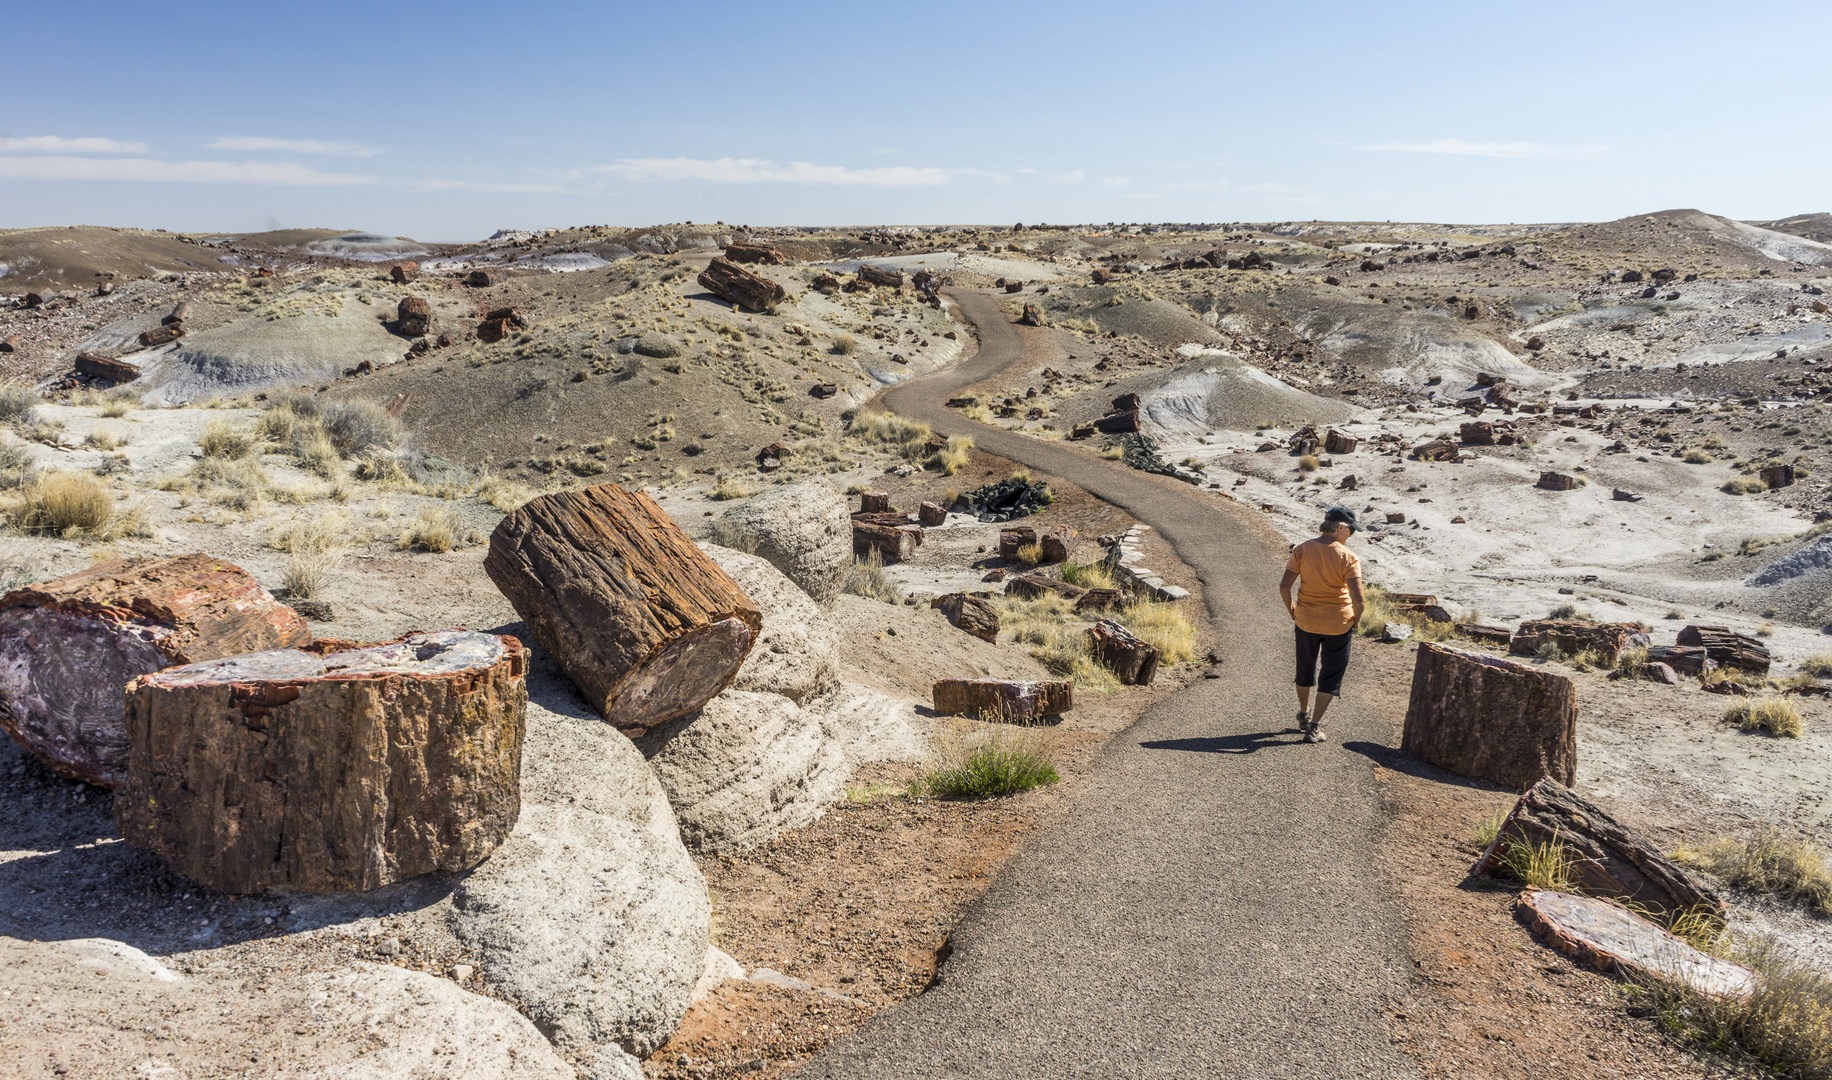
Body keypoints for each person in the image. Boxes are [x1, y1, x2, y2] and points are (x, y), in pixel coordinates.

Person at [1277, 506, 1365, 743]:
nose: (1351, 536)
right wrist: (1355, 620)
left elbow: (1284, 586)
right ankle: (1314, 726)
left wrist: (1293, 611)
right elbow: (1359, 599)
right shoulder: (1348, 557)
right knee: (1331, 674)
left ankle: (1303, 713)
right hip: (1338, 623)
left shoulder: (1302, 549)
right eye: (1351, 531)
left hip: (1306, 620)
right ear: (1340, 528)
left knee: (1305, 668)